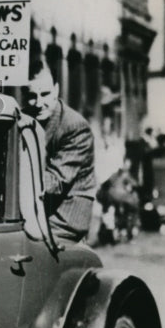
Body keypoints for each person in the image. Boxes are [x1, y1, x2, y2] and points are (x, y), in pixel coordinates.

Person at [23, 59, 97, 241]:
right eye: (32, 96)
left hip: (62, 220)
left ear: (56, 90)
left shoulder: (75, 127)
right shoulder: (25, 116)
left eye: (45, 94)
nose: (39, 103)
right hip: (33, 210)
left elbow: (55, 183)